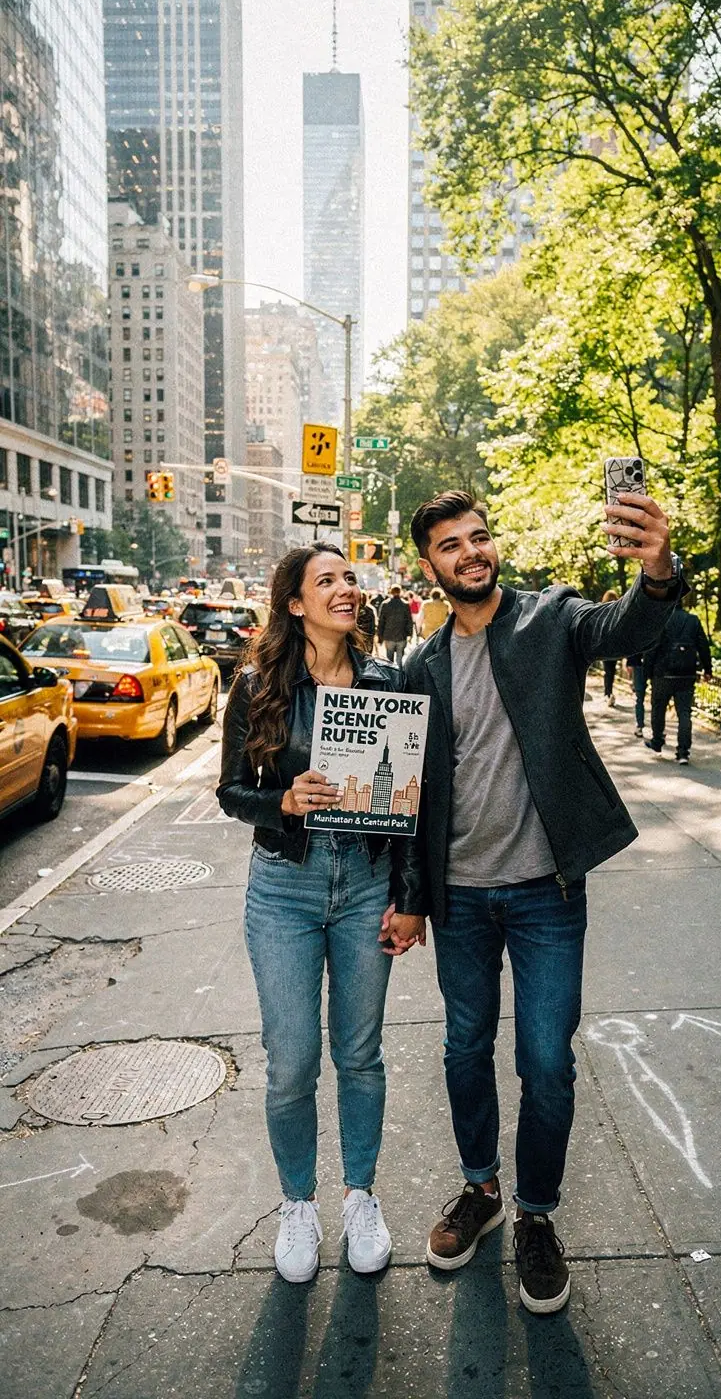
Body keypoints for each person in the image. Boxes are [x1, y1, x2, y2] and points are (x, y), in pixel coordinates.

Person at [403, 489, 683, 1315]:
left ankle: (537, 1216)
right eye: (451, 545)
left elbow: (629, 626)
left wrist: (657, 567)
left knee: (548, 1062)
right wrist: (411, 900)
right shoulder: (421, 667)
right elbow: (409, 796)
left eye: (479, 537)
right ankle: (482, 1191)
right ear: (431, 566)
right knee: (463, 1050)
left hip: (545, 893)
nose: (470, 553)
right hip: (458, 901)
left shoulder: (550, 619)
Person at [217, 543, 426, 1284]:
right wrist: (281, 799)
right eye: (326, 580)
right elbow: (230, 791)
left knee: (360, 1054)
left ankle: (360, 1197)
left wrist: (410, 898)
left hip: (367, 883)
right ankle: (297, 1204)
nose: (346, 587)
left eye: (349, 577)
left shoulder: (387, 681)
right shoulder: (258, 685)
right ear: (296, 603)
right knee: (293, 1060)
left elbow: (408, 804)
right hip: (285, 886)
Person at [643, 598, 712, 763]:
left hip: (663, 674)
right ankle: (683, 752)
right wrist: (707, 669)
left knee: (658, 709)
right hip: (686, 675)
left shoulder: (660, 621)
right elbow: (703, 646)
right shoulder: (693, 621)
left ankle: (657, 742)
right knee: (684, 712)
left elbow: (651, 649)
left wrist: (646, 674)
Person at [377, 583, 414, 668]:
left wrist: (380, 635)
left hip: (388, 635)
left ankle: (391, 676)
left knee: (389, 660)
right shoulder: (405, 604)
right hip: (401, 635)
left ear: (391, 592)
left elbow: (381, 621)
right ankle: (400, 676)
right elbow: (409, 620)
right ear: (400, 592)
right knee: (399, 658)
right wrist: (410, 634)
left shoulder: (385, 604)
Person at [600, 590, 619, 705]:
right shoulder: (617, 610)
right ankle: (608, 692)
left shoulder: (602, 610)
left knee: (608, 671)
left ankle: (607, 693)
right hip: (614, 645)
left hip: (605, 645)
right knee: (611, 670)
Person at [626, 653, 648, 737]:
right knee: (658, 701)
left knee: (639, 698)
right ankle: (658, 731)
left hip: (639, 664)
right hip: (654, 664)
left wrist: (630, 663)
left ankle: (640, 726)